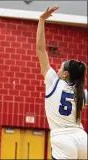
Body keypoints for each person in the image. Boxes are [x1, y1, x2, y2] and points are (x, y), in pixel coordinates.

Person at [36, 7, 87, 159]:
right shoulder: (81, 92)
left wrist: (41, 20)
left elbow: (40, 50)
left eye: (59, 67)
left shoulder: (54, 81)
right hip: (82, 138)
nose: (56, 69)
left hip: (63, 139)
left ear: (65, 74)